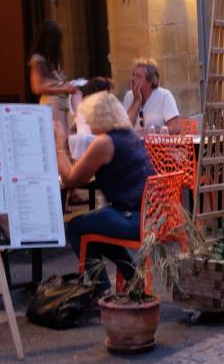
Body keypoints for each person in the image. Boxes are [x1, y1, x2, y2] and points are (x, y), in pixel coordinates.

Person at [54, 92, 156, 294]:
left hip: (133, 219)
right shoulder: (130, 135)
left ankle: (101, 288)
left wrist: (59, 144)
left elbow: (71, 178)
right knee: (95, 223)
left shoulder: (105, 142)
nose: (88, 125)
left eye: (89, 119)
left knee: (76, 225)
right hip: (150, 216)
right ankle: (133, 278)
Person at [28, 20, 80, 133]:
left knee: (66, 137)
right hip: (52, 103)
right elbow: (37, 87)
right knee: (59, 139)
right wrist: (63, 88)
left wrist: (66, 85)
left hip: (61, 103)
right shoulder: (37, 59)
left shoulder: (49, 60)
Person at [122, 59, 180, 131]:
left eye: (138, 76)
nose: (133, 79)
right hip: (135, 141)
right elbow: (126, 127)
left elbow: (175, 128)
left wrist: (152, 132)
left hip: (157, 141)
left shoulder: (164, 95)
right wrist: (136, 101)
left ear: (150, 81)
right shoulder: (129, 96)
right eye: (133, 75)